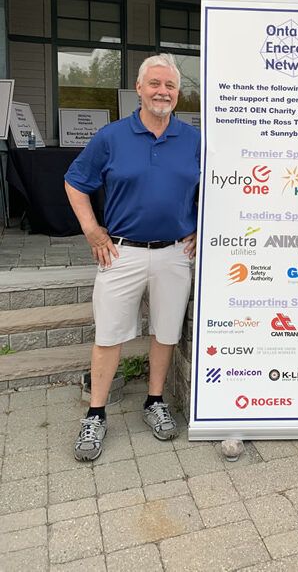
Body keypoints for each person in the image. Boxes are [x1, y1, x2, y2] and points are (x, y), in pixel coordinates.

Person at [65, 53, 200, 461]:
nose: (162, 92)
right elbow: (75, 182)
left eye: (170, 85)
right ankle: (96, 413)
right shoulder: (111, 137)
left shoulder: (194, 139)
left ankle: (154, 401)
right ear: (139, 88)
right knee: (108, 335)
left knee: (166, 332)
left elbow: (216, 186)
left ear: (178, 93)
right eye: (155, 84)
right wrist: (92, 230)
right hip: (121, 253)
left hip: (175, 253)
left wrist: (202, 225)